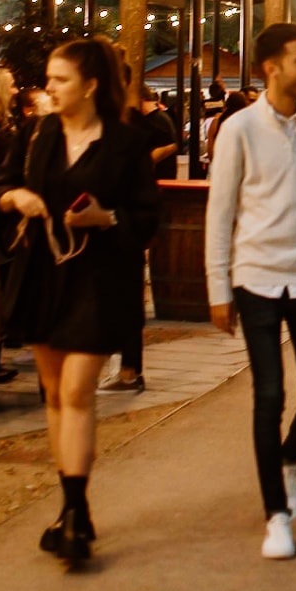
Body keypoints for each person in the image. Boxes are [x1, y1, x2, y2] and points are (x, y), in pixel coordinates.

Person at [0, 37, 161, 567]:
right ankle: (72, 510)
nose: (49, 88)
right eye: (49, 79)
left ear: (89, 86)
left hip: (99, 281)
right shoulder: (35, 134)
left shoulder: (127, 143)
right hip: (43, 275)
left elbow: (147, 218)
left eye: (60, 79)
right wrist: (16, 196)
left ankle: (75, 509)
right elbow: (0, 185)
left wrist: (106, 218)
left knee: (77, 390)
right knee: (55, 396)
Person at [204, 23, 296, 562]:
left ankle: (288, 460)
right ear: (271, 68)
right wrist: (218, 288)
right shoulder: (239, 129)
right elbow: (220, 212)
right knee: (269, 396)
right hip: (256, 279)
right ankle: (276, 515)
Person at [105, 75, 183, 394]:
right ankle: (124, 368)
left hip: (122, 230)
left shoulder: (137, 127)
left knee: (124, 300)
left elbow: (171, 145)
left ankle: (127, 370)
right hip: (118, 230)